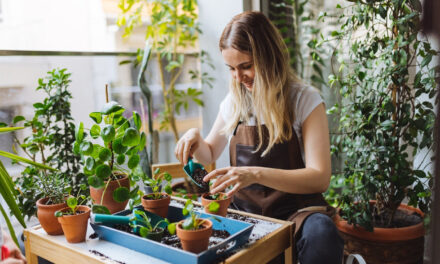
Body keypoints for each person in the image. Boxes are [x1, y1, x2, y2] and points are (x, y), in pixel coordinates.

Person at [175, 11, 343, 264]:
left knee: (322, 234)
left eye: (246, 66)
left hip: (295, 213)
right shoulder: (235, 102)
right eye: (231, 68)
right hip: (245, 214)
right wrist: (195, 137)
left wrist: (253, 173)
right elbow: (209, 152)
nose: (238, 78)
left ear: (268, 57)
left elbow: (320, 178)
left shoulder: (304, 100)